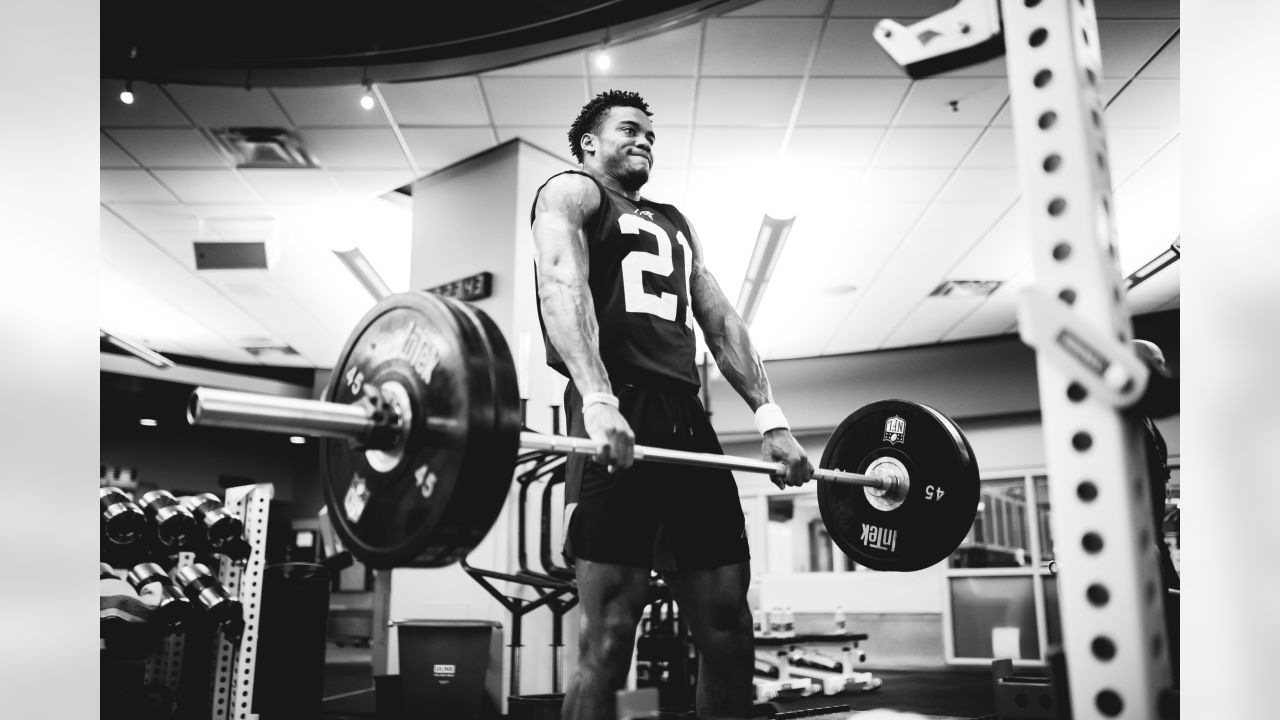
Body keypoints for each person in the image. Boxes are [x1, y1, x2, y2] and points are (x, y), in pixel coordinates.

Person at [530, 89, 813, 720]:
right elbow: (561, 280)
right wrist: (597, 397)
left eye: (651, 136)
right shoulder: (571, 191)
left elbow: (720, 319)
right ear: (589, 145)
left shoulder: (675, 221)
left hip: (688, 420)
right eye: (629, 130)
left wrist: (772, 421)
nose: (644, 142)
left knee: (728, 628)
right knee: (607, 639)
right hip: (619, 409)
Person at [1133, 339, 1179, 680]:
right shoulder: (1123, 420)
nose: (1165, 371)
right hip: (1137, 542)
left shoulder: (1148, 422)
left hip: (1153, 540)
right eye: (1157, 363)